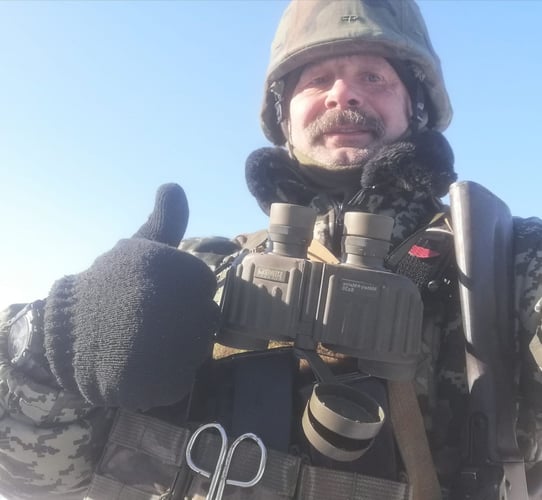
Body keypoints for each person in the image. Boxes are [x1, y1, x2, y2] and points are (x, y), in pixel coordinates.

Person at [1, 1, 541, 499]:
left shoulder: (504, 265)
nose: (343, 94)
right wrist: (51, 348)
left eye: (373, 77)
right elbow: (29, 476)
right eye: (317, 79)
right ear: (284, 117)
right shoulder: (198, 270)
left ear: (415, 106)